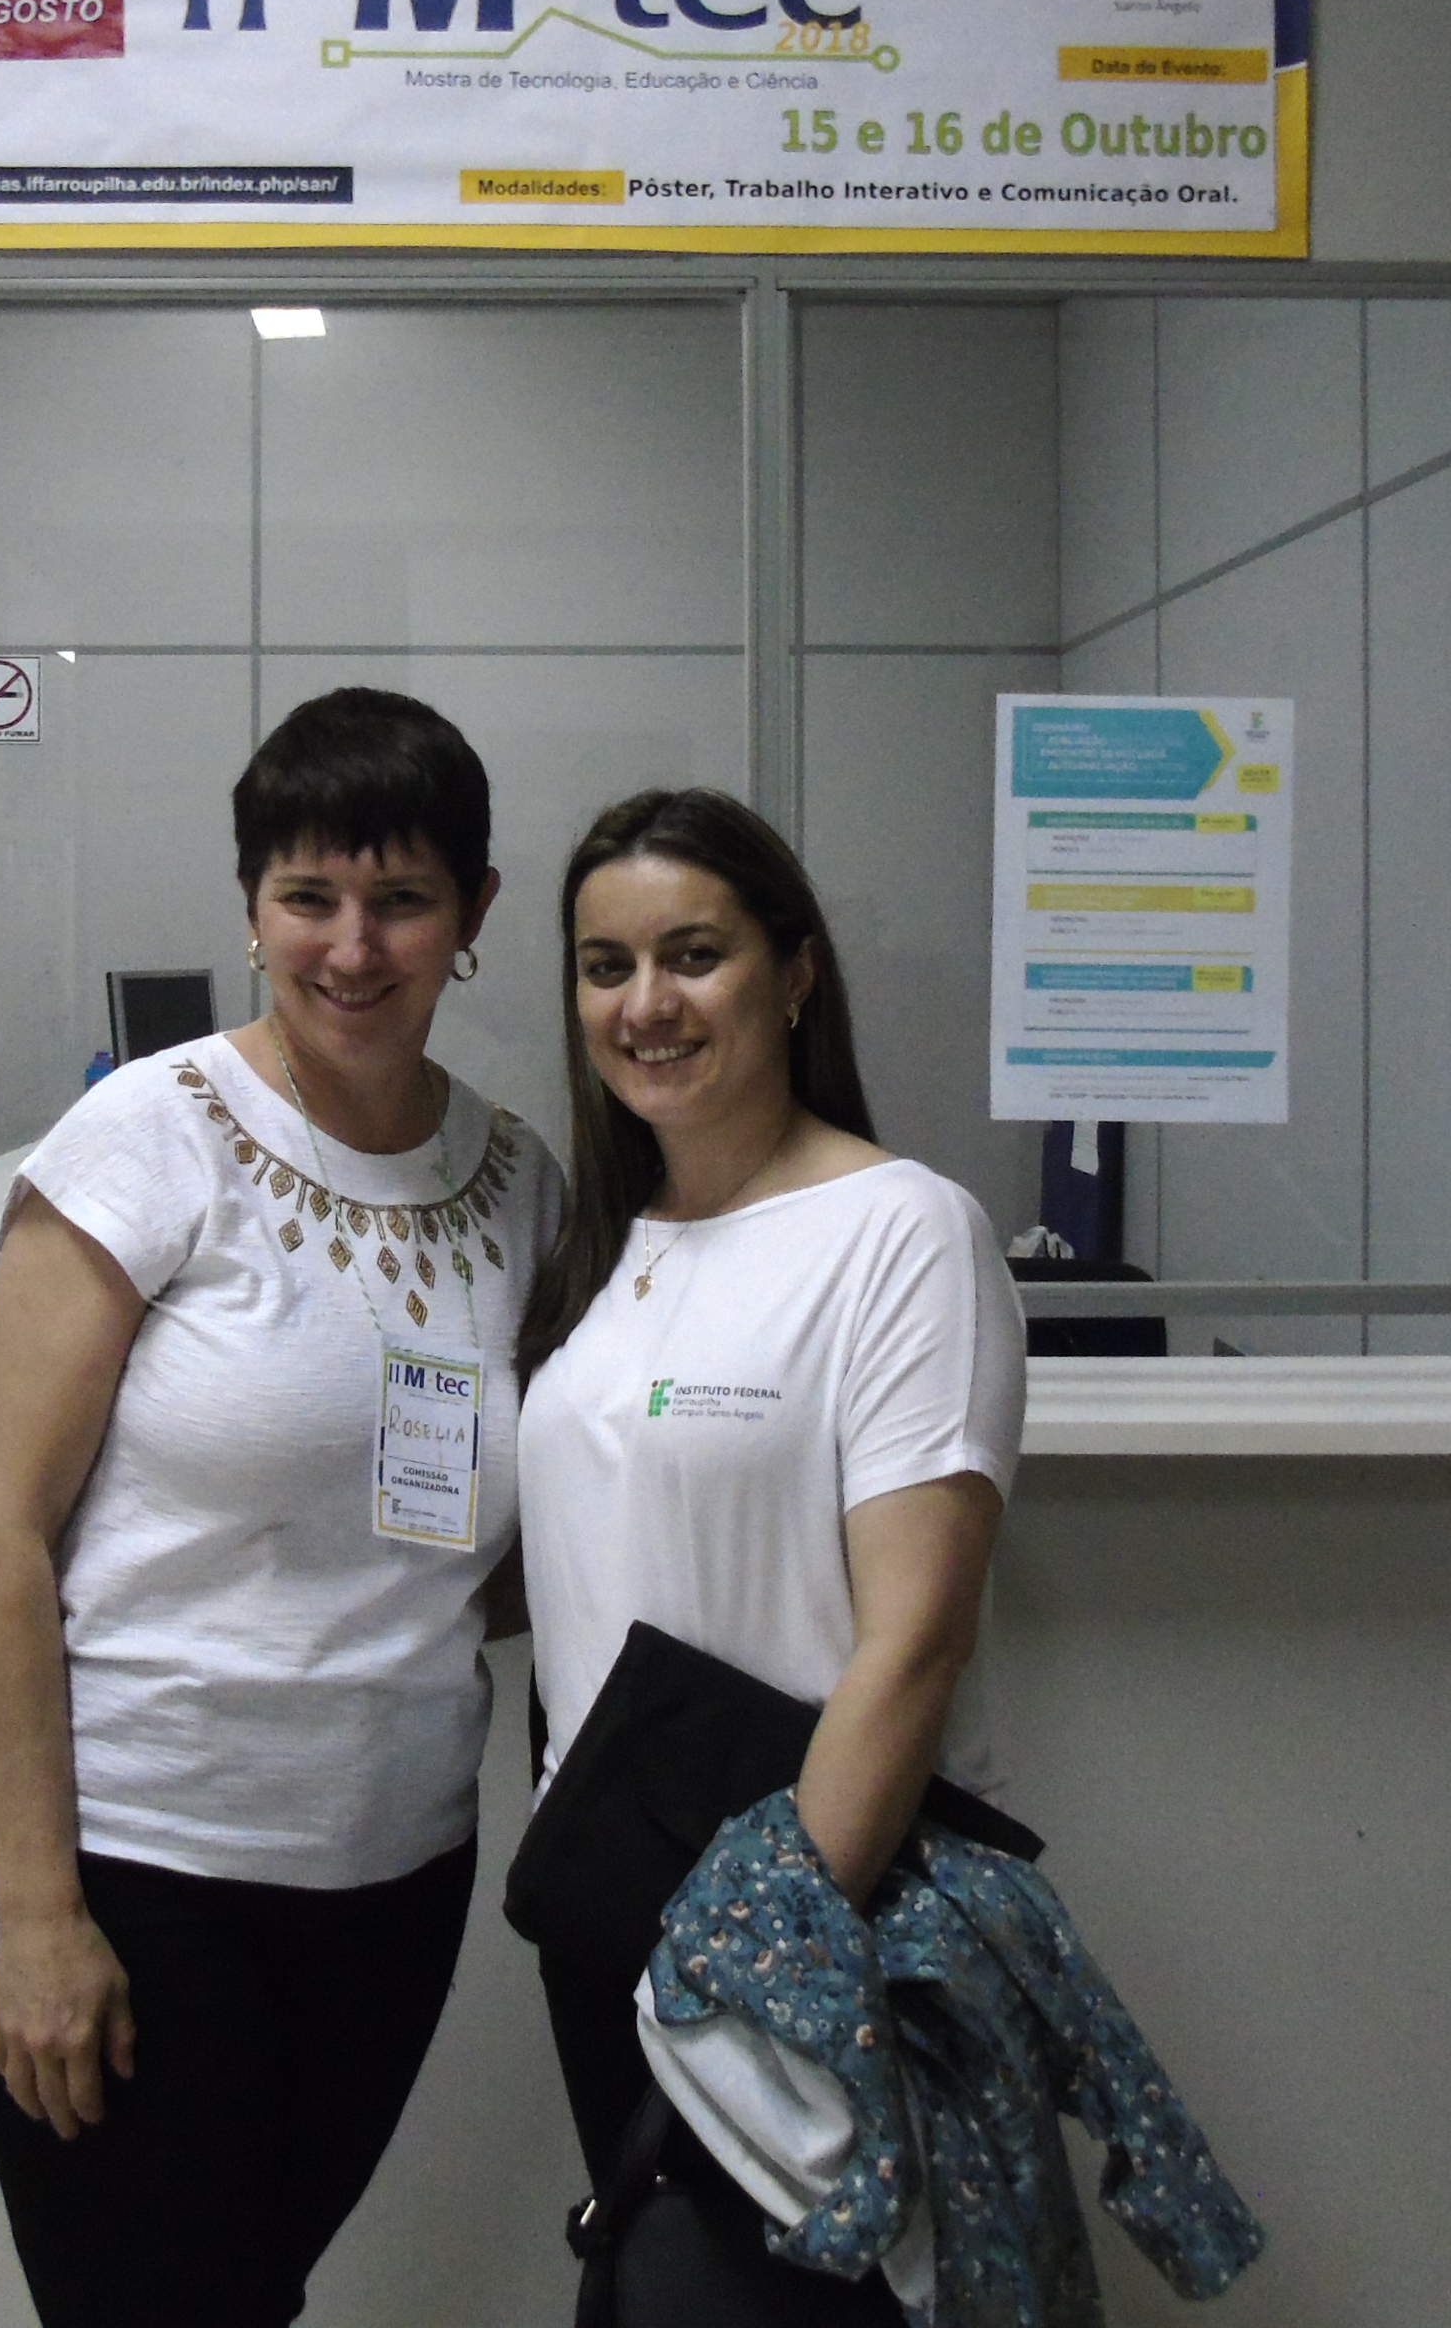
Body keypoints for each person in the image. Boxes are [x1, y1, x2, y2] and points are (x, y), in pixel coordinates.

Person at [0, 686, 565, 2328]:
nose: (352, 947)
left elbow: (480, 1541)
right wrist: (36, 1914)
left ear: (475, 915)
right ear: (252, 906)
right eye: (309, 897)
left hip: (394, 1879)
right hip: (140, 1870)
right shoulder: (150, 1139)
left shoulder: (519, 1182)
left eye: (402, 898)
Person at [513, 787, 1028, 2315]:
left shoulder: (903, 1233)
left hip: (810, 1907)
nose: (646, 1005)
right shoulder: (607, 1245)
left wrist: (762, 1960)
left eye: (695, 955)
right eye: (605, 967)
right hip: (607, 1898)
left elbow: (917, 1639)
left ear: (795, 975)